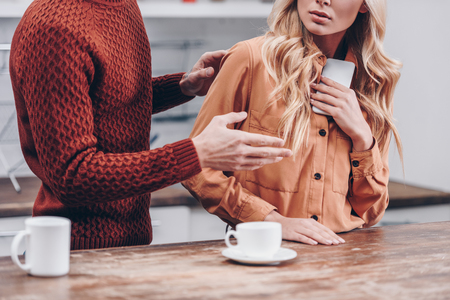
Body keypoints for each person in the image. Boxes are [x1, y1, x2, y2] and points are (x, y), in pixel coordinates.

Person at [9, 0, 292, 250]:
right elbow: (73, 176)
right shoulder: (54, 28)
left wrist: (182, 87)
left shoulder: (123, 5)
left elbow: (109, 102)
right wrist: (196, 154)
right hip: (74, 250)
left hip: (131, 242)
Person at [182, 0, 402, 246]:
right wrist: (273, 221)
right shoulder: (250, 59)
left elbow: (371, 213)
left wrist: (362, 138)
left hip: (345, 260)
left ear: (365, 5)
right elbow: (195, 168)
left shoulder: (374, 82)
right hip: (262, 255)